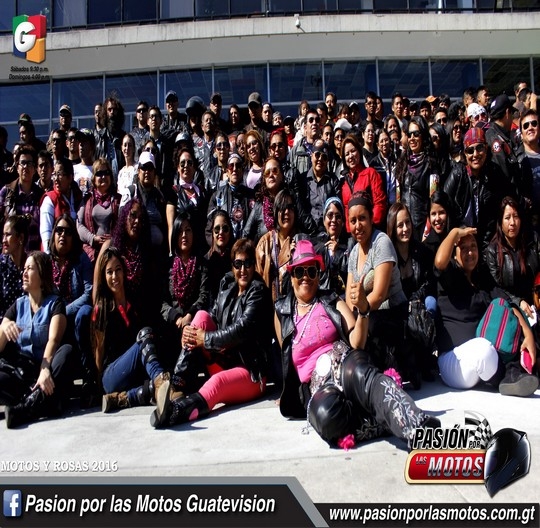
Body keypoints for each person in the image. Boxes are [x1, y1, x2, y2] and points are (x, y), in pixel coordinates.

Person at [274, 239, 438, 447]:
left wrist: (362, 309)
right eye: (299, 272)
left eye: (311, 271)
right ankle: (383, 419)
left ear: (318, 274)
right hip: (317, 386)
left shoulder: (332, 301)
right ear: (292, 275)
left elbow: (357, 342)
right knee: (327, 418)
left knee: (363, 376)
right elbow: (289, 359)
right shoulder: (281, 312)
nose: (305, 277)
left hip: (344, 362)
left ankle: (415, 425)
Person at [150, 238, 274, 428]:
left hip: (251, 373)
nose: (243, 270)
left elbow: (240, 330)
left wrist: (204, 339)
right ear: (232, 265)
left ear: (254, 265)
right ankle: (177, 385)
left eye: (248, 263)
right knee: (199, 316)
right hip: (225, 360)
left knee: (217, 383)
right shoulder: (228, 287)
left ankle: (175, 412)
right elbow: (212, 318)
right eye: (238, 264)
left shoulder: (258, 291)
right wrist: (191, 333)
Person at [434, 226, 538, 396]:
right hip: (454, 362)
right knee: (484, 349)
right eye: (463, 248)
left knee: (503, 323)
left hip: (482, 360)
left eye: (473, 247)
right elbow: (439, 262)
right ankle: (506, 377)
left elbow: (506, 304)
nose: (469, 252)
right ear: (454, 253)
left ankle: (513, 375)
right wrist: (454, 233)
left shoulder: (482, 279)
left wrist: (528, 336)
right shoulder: (450, 274)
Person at [0, 252, 74, 428]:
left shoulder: (55, 303)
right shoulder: (18, 305)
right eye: (24, 269)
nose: (24, 273)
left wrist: (45, 369)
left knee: (66, 352)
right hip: (23, 375)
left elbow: (53, 341)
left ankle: (26, 408)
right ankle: (44, 403)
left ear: (41, 274)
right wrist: (3, 328)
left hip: (47, 372)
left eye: (30, 268)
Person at [91, 247, 169, 412]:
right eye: (109, 272)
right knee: (145, 334)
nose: (114, 276)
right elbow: (99, 349)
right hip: (111, 375)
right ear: (104, 277)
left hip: (133, 372)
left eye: (118, 270)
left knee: (171, 378)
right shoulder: (101, 308)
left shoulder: (134, 300)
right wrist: (98, 387)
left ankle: (122, 399)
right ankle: (160, 382)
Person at [346, 192, 410, 380]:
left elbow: (379, 295)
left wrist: (360, 316)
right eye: (353, 221)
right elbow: (350, 297)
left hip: (393, 315)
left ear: (372, 218)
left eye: (362, 218)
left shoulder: (382, 243)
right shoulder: (354, 252)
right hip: (366, 317)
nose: (358, 226)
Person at [160, 213, 210, 370]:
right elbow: (161, 301)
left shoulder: (201, 264)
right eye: (180, 231)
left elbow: (204, 296)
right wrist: (176, 317)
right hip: (172, 326)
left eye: (188, 230)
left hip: (193, 323)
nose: (184, 235)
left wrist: (189, 315)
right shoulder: (167, 265)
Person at [484, 196, 540, 317]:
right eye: (507, 218)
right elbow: (495, 289)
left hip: (535, 301)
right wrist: (518, 302)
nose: (512, 223)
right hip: (511, 308)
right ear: (500, 221)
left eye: (516, 216)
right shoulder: (492, 251)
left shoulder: (533, 240)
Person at [395, 116, 440, 241]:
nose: (412, 138)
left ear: (423, 136)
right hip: (404, 225)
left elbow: (433, 198)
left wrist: (428, 226)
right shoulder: (402, 163)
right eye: (409, 135)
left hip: (422, 225)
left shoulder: (431, 164)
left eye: (416, 134)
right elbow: (398, 197)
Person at [256, 188, 299, 302]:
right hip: (269, 307)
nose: (286, 212)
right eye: (282, 208)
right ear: (275, 212)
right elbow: (257, 283)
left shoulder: (300, 241)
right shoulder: (264, 243)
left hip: (294, 307)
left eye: (290, 208)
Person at [0, 145, 44, 251]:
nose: (25, 167)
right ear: (17, 167)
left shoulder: (41, 195)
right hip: (10, 256)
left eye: (29, 163)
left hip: (33, 257)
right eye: (23, 163)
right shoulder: (6, 192)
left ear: (35, 169)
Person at [77, 158, 121, 262]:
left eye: (106, 173)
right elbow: (79, 225)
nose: (103, 177)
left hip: (113, 251)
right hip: (90, 252)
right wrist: (92, 238)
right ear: (93, 178)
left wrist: (113, 238)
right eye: (99, 173)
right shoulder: (87, 199)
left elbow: (123, 224)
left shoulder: (119, 199)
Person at [340, 134, 386, 232]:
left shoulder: (370, 173)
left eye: (353, 151)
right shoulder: (344, 182)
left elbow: (379, 202)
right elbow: (346, 208)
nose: (351, 156)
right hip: (353, 233)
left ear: (359, 152)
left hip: (372, 229)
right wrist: (351, 230)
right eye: (347, 154)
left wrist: (371, 224)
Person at [206, 153, 253, 245]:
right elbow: (209, 229)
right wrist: (216, 248)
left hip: (246, 249)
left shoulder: (251, 196)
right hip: (225, 250)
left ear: (243, 171)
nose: (234, 169)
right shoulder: (217, 196)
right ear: (227, 171)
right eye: (231, 166)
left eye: (238, 166)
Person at [40, 158, 83, 253]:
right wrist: (49, 256)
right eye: (54, 174)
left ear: (70, 177)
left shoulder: (78, 197)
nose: (55, 179)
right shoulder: (50, 199)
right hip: (54, 254)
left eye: (59, 174)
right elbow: (46, 232)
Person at [243, 157, 286, 244]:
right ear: (264, 179)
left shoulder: (290, 201)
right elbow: (245, 235)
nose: (271, 175)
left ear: (281, 175)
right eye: (267, 173)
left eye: (275, 171)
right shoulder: (259, 206)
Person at [313, 197, 349, 297]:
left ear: (342, 222)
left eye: (338, 217)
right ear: (324, 220)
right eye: (330, 215)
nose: (333, 220)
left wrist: (337, 255)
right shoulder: (316, 246)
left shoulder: (349, 246)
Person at [0, 215, 29, 318]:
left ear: (20, 237)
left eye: (8, 235)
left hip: (28, 325)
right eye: (3, 235)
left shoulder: (32, 265)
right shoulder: (1, 265)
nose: (3, 240)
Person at [204, 210, 233, 306]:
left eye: (225, 228)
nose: (221, 232)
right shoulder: (205, 261)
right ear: (212, 232)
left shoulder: (236, 261)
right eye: (217, 229)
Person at [422, 190, 454, 257]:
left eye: (441, 213)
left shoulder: (457, 240)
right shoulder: (425, 247)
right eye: (433, 214)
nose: (437, 218)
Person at [117, 134, 138, 206]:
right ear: (122, 148)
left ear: (134, 149)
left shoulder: (137, 168)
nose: (127, 148)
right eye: (125, 145)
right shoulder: (121, 172)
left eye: (130, 145)